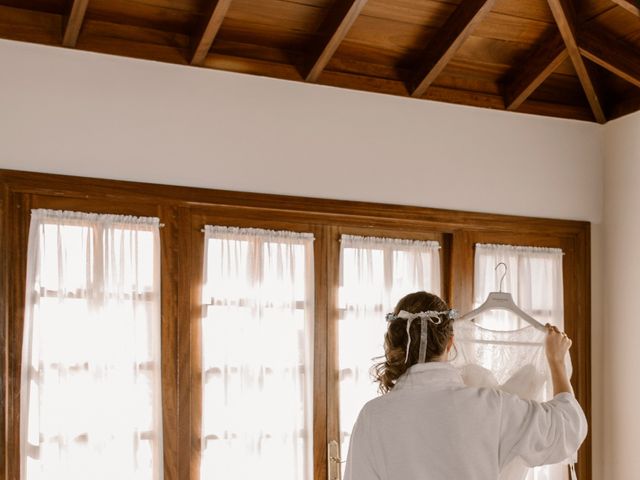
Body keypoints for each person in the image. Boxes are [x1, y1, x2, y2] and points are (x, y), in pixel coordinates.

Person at [344, 291, 588, 480]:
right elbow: (568, 428)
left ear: (395, 342)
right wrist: (556, 362)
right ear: (451, 342)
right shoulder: (492, 406)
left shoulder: (372, 416)